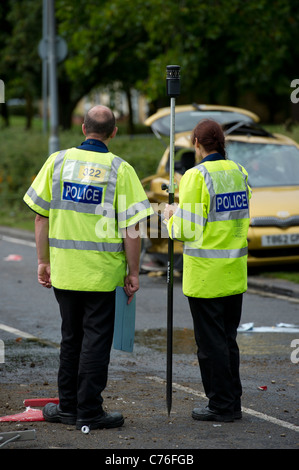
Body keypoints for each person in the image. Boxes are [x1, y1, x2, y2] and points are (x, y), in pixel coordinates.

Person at [23, 105, 153, 430]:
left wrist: (43, 261)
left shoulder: (58, 162)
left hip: (65, 272)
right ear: (114, 133)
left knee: (71, 338)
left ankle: (67, 409)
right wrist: (134, 272)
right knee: (95, 341)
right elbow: (132, 228)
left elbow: (41, 216)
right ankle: (90, 412)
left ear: (82, 128)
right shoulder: (121, 170)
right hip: (102, 275)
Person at [164, 119, 251, 422]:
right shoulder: (239, 172)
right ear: (221, 142)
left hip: (205, 276)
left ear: (197, 144)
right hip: (234, 271)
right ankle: (232, 401)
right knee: (227, 339)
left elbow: (184, 230)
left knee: (210, 345)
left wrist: (170, 217)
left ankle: (221, 405)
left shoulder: (194, 176)